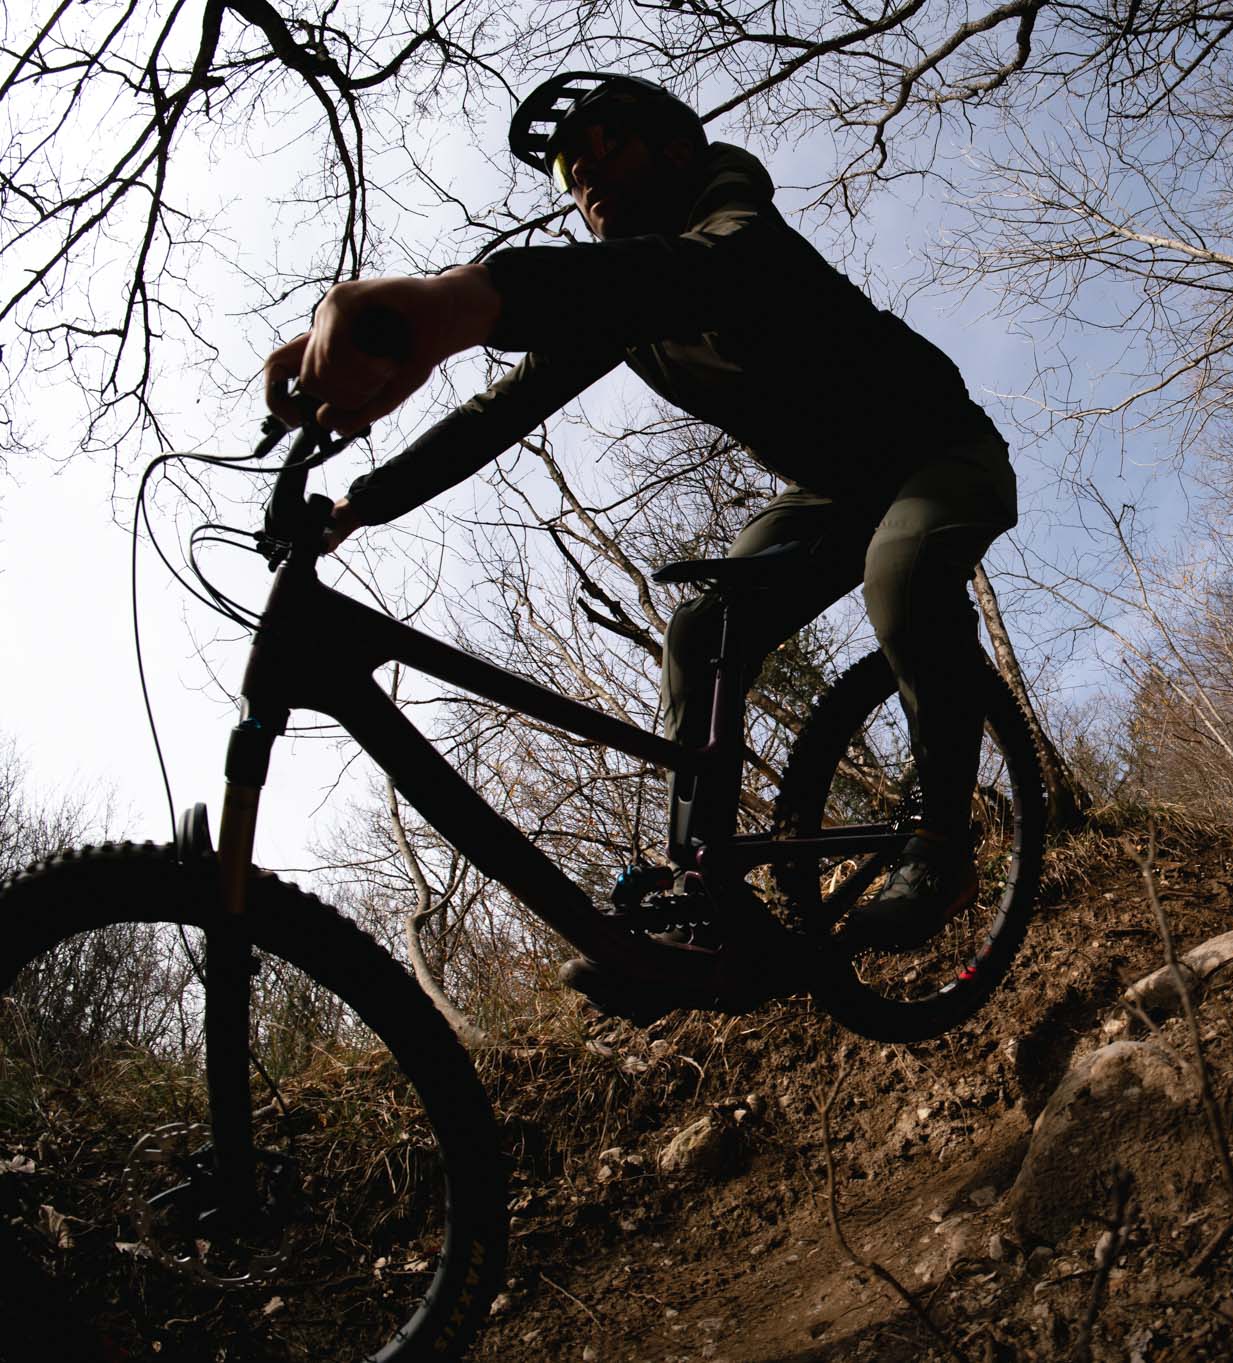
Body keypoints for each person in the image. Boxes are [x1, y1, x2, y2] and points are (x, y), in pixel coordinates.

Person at [263, 71, 1018, 1013]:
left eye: (602, 146)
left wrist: (465, 297)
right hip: (834, 493)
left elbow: (697, 275)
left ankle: (943, 838)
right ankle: (705, 904)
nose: (582, 177)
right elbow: (503, 408)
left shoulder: (737, 228)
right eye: (568, 172)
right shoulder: (624, 302)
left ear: (673, 150)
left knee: (901, 578)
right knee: (702, 634)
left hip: (940, 450)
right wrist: (360, 503)